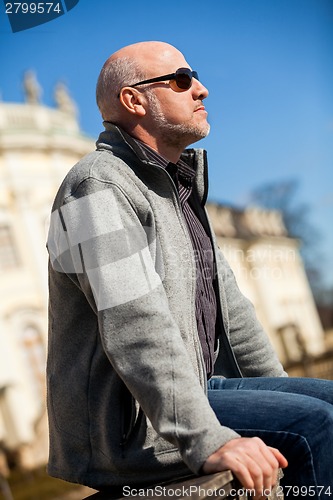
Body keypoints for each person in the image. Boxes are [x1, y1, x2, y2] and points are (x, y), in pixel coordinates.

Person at [47, 41, 333, 499]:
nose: (201, 89)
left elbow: (232, 313)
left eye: (194, 77)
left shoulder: (178, 186)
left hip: (198, 391)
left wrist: (279, 395)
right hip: (127, 428)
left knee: (323, 403)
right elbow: (134, 325)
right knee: (314, 425)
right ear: (133, 100)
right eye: (181, 81)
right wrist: (206, 440)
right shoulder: (92, 187)